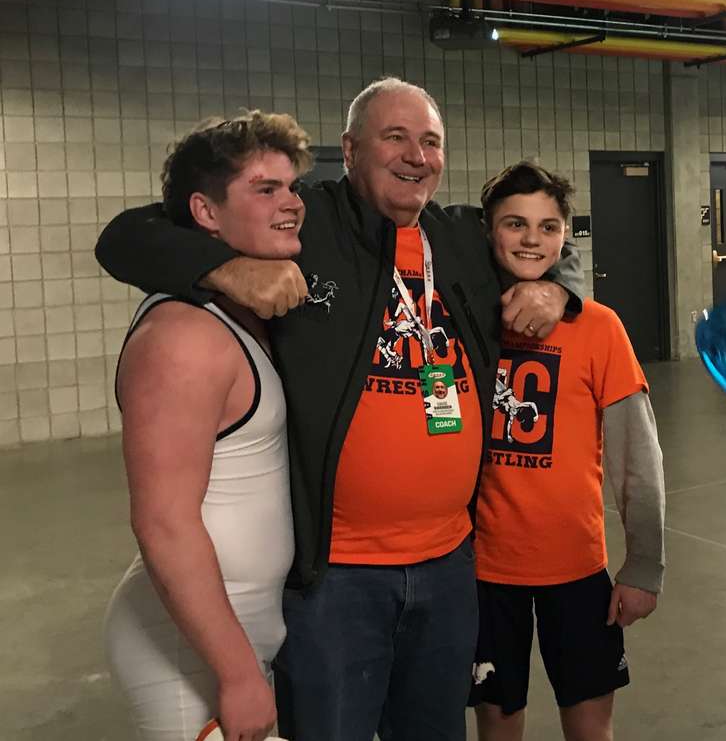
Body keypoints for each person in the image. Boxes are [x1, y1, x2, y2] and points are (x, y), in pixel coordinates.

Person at [95, 79, 585, 741]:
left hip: (448, 567)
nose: (417, 155)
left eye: (431, 141)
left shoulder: (462, 238)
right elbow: (126, 236)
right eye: (395, 137)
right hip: (337, 577)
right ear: (350, 151)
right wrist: (219, 269)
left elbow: (545, 242)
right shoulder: (308, 224)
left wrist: (561, 290)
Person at [103, 110, 312, 741]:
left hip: (245, 632)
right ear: (205, 212)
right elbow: (162, 521)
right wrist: (237, 673)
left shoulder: (245, 309)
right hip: (188, 648)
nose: (291, 204)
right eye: (264, 189)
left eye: (292, 187)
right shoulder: (183, 337)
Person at [468, 161, 665, 741]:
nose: (532, 239)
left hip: (577, 567)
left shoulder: (600, 328)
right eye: (515, 223)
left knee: (589, 725)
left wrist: (645, 565)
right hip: (484, 568)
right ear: (488, 231)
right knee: (497, 723)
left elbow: (639, 457)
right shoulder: (467, 318)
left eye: (548, 227)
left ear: (565, 237)